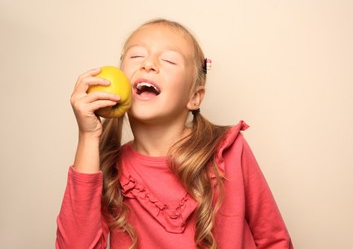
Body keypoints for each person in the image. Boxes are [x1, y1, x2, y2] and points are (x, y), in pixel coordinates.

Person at [56, 18, 293, 249]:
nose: (147, 64)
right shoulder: (110, 171)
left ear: (194, 97)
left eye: (169, 60)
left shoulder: (228, 150)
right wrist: (87, 137)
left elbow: (274, 241)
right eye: (136, 56)